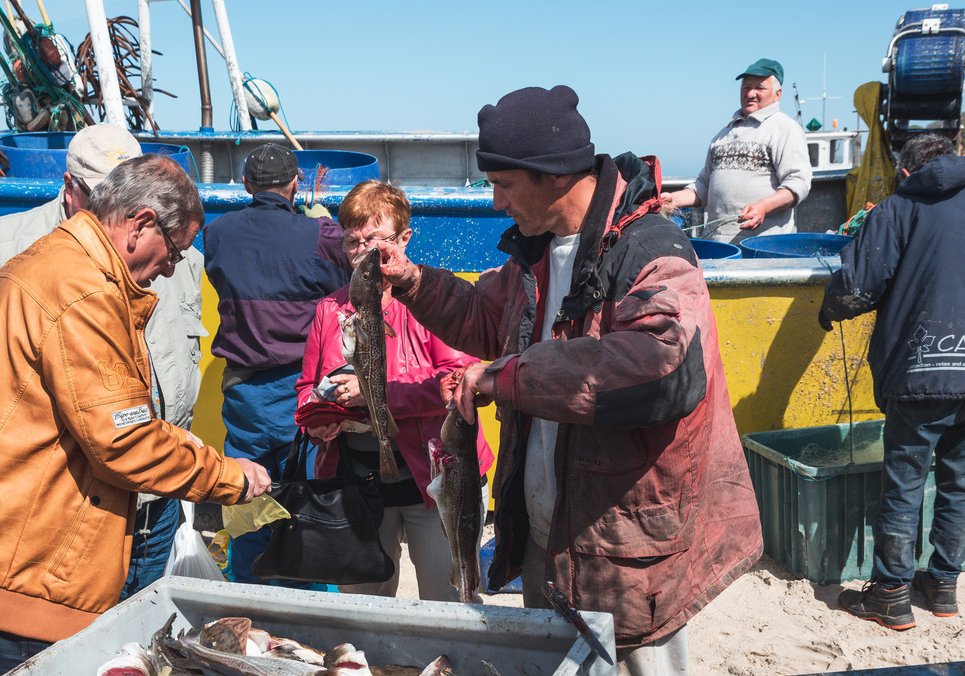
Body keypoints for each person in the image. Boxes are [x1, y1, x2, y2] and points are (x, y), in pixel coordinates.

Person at [373, 85, 762, 673]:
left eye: (503, 184)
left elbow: (661, 368)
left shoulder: (651, 248)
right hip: (546, 535)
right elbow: (488, 320)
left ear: (551, 175)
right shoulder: (536, 253)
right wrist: (411, 281)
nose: (497, 202)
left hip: (627, 546)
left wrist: (506, 377)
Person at [0, 154, 270, 676]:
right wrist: (227, 475)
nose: (173, 268)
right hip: (18, 583)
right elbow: (124, 440)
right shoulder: (83, 292)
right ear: (141, 224)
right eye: (175, 251)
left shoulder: (49, 262)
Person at [0, 124, 207, 599]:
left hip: (156, 498)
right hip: (57, 512)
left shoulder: (176, 254)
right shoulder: (13, 246)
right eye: (100, 195)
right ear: (69, 185)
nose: (112, 211)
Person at [820, 133, 965, 630]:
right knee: (961, 484)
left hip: (920, 371)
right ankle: (942, 587)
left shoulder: (898, 208)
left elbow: (858, 287)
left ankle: (891, 595)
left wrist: (827, 310)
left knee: (904, 483)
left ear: (905, 172)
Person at [295, 180, 495, 601]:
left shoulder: (435, 301)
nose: (362, 251)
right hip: (357, 482)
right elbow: (304, 389)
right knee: (363, 605)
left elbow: (457, 386)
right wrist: (319, 418)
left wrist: (375, 397)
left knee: (450, 599)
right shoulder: (329, 309)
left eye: (374, 239)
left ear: (405, 238)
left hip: (437, 477)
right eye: (352, 241)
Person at [203, 142, 351, 585]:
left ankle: (252, 602)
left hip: (244, 394)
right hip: (302, 392)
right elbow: (343, 285)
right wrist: (320, 224)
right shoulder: (322, 236)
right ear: (295, 183)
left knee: (247, 501)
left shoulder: (218, 232)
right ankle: (312, 601)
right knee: (310, 502)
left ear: (246, 183)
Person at [661, 58, 812, 244]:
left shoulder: (785, 129)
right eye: (746, 87)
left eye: (760, 88)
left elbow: (798, 184)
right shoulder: (722, 135)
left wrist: (764, 207)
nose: (751, 93)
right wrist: (672, 200)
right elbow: (703, 186)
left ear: (777, 94)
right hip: (717, 242)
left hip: (763, 244)